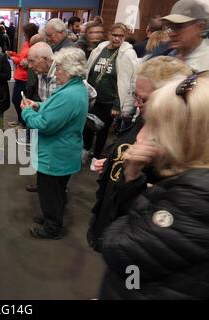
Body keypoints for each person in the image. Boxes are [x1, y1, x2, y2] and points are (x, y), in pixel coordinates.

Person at [99, 71, 209, 299]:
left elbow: (121, 250)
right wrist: (132, 175)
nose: (152, 134)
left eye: (160, 125)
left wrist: (133, 217)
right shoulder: (190, 180)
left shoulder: (198, 193)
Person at [86, 56, 193, 253]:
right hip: (109, 214)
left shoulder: (179, 147)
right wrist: (112, 161)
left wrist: (135, 176)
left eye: (143, 99)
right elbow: (126, 146)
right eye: (136, 96)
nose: (136, 104)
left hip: (134, 238)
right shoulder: (145, 118)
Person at [20, 47, 88, 239]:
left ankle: (52, 226)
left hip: (55, 154)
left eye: (58, 68)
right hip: (63, 151)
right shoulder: (75, 89)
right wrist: (38, 105)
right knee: (56, 191)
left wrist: (27, 112)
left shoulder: (69, 95)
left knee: (50, 191)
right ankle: (51, 215)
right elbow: (54, 110)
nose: (55, 72)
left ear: (70, 70)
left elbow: (44, 125)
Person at [83, 23, 137, 162]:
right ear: (109, 34)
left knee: (103, 129)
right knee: (87, 125)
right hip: (93, 97)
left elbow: (128, 81)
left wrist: (118, 105)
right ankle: (85, 150)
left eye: (121, 36)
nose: (117, 39)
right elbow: (88, 70)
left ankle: (96, 156)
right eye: (114, 35)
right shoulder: (100, 49)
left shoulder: (128, 54)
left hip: (109, 101)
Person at [160, 0, 209, 71]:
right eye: (169, 27)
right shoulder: (165, 55)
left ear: (200, 27)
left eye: (179, 27)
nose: (171, 34)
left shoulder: (206, 62)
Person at [7, 23, 39, 128]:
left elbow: (25, 63)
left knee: (20, 100)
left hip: (25, 78)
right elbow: (21, 57)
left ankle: (23, 123)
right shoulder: (26, 43)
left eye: (25, 33)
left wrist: (14, 59)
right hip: (19, 76)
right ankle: (20, 120)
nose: (23, 34)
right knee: (16, 100)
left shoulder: (33, 45)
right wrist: (13, 54)